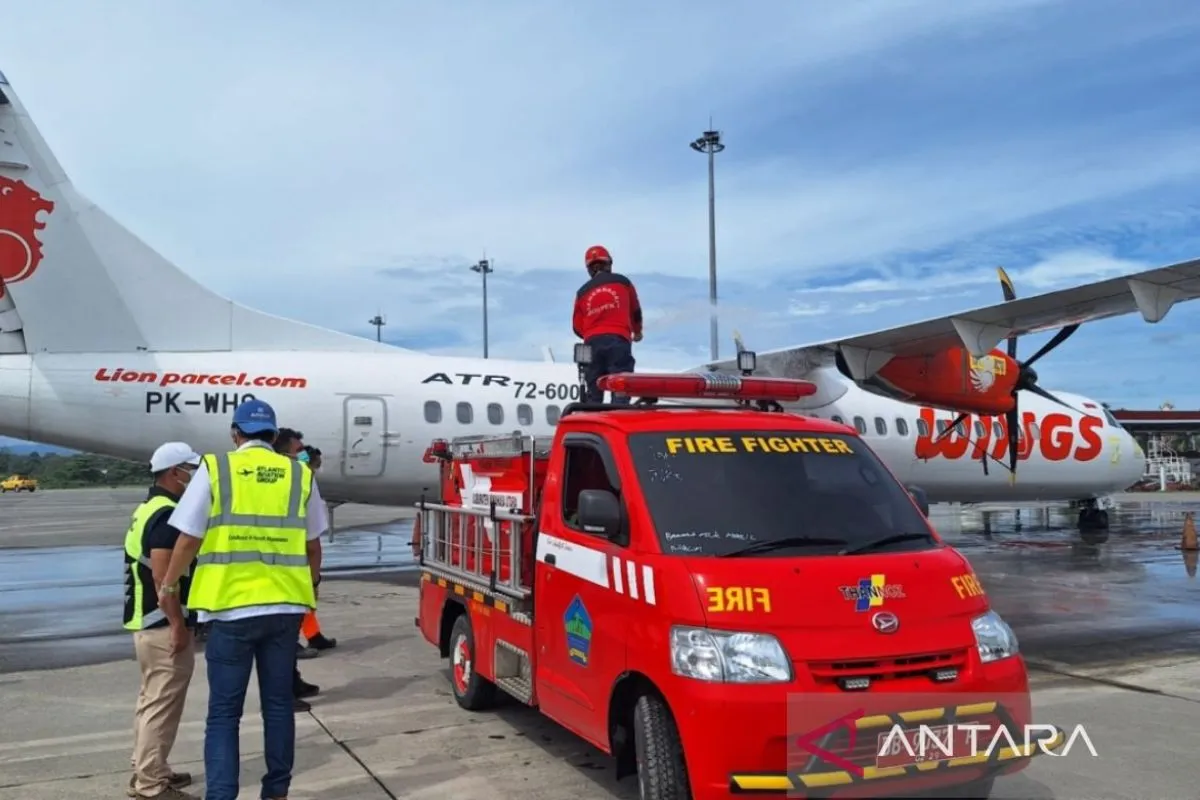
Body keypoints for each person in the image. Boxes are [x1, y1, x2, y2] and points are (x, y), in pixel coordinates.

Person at [158, 399, 327, 800]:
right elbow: (313, 546)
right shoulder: (300, 474)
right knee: (278, 706)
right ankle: (277, 792)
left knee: (223, 714)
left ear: (236, 434)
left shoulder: (216, 469)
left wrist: (168, 586)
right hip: (285, 609)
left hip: (230, 609)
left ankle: (221, 795)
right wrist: (310, 588)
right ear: (273, 435)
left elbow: (187, 538)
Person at [124, 442, 202, 800]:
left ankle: (150, 769)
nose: (194, 476)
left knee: (150, 702)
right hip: (160, 625)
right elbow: (162, 575)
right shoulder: (168, 513)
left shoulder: (148, 507)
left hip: (146, 622)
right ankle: (151, 786)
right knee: (161, 706)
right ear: (175, 473)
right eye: (190, 469)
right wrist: (177, 625)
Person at [572, 244, 643, 404]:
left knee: (593, 391)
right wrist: (637, 332)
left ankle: (592, 419)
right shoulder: (623, 282)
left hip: (591, 344)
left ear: (589, 269)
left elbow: (577, 326)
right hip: (618, 341)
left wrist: (593, 333)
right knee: (620, 387)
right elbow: (636, 312)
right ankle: (617, 416)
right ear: (609, 264)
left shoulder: (582, 292)